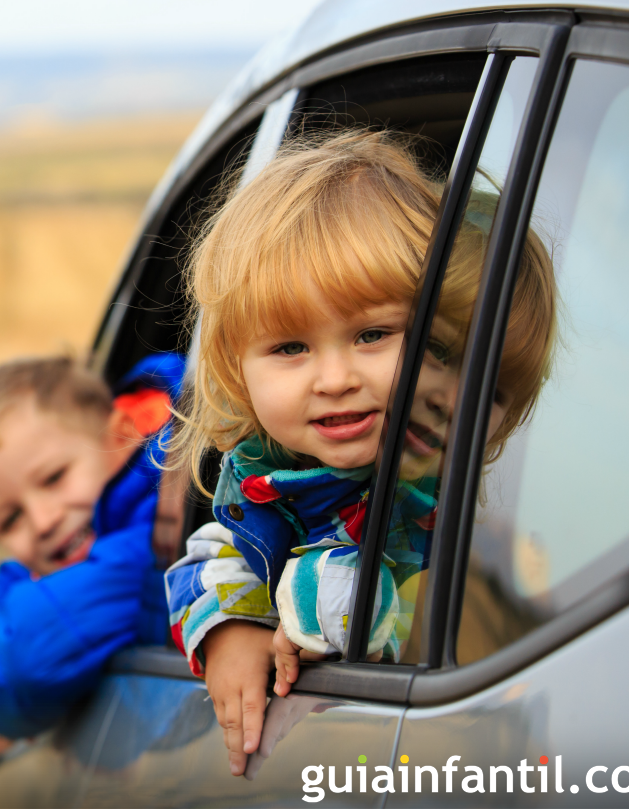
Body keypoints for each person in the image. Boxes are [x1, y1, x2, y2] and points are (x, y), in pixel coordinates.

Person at [164, 129, 556, 775]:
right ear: (238, 372)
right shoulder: (266, 475)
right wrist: (229, 631)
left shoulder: (426, 483)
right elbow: (213, 552)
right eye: (289, 348)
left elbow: (369, 589)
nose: (335, 378)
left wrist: (311, 618)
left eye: (373, 334)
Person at [0, 351, 185, 741]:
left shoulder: (158, 527)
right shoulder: (90, 544)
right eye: (10, 520)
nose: (44, 521)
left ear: (122, 435)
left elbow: (27, 660)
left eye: (53, 478)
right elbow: (7, 585)